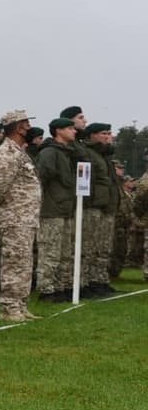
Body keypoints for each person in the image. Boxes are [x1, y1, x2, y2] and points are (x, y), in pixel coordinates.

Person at [0, 110, 41, 321]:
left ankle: (20, 304)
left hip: (25, 218)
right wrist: (8, 212)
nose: (29, 127)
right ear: (19, 127)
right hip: (14, 218)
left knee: (24, 263)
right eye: (26, 124)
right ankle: (9, 308)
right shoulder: (7, 153)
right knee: (14, 262)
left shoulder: (19, 152)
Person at [35, 118, 79, 303]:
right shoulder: (49, 152)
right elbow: (41, 178)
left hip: (65, 209)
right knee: (50, 251)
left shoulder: (66, 153)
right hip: (52, 210)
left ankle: (61, 287)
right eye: (70, 128)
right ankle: (47, 290)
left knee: (64, 253)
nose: (74, 131)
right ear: (58, 131)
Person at [81, 123, 119, 297]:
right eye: (104, 133)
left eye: (109, 133)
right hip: (93, 205)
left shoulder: (105, 155)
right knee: (89, 246)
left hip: (106, 205)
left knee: (103, 247)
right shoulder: (88, 153)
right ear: (92, 135)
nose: (108, 136)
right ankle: (85, 282)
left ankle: (100, 280)